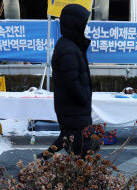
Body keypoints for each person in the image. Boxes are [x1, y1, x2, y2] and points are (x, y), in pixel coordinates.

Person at [41, 4, 93, 159]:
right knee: (80, 147)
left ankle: (41, 159)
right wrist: (84, 97)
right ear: (75, 24)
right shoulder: (68, 48)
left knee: (70, 139)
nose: (86, 26)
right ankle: (42, 160)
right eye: (84, 23)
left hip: (74, 108)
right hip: (73, 107)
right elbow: (71, 81)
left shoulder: (72, 45)